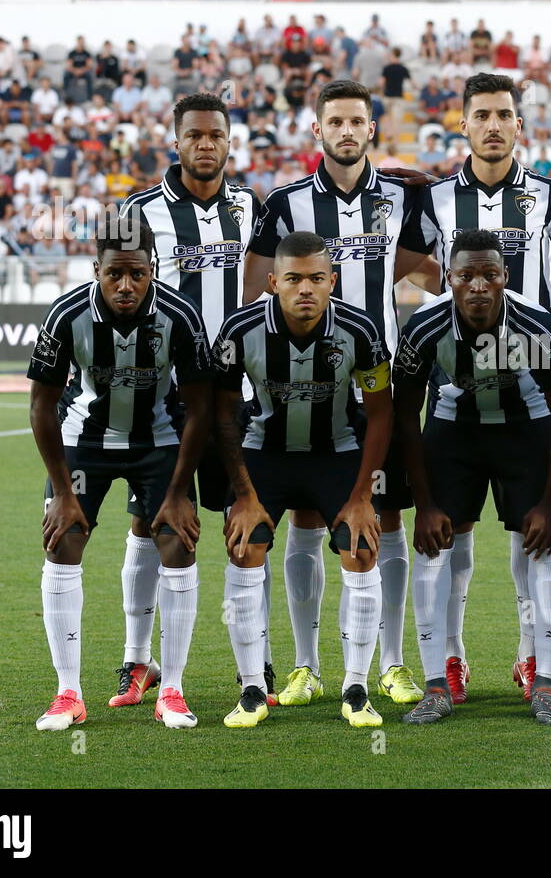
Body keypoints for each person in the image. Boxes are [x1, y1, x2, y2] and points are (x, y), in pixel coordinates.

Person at [244, 79, 440, 709]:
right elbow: (256, 288)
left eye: (358, 120)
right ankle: (307, 667)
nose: (347, 130)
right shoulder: (286, 204)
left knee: (384, 518)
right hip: (309, 383)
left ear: (372, 129)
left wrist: (427, 201)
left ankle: (389, 662)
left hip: (380, 378)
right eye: (336, 121)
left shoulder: (402, 198)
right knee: (305, 516)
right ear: (318, 131)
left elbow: (434, 272)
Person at [405, 75, 551, 701]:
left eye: (504, 115)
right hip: (456, 398)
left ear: (518, 124)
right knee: (449, 539)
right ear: (464, 124)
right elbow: (404, 263)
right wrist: (456, 292)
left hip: (529, 390)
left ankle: (533, 656)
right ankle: (449, 661)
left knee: (529, 535)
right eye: (481, 114)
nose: (493, 125)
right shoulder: (432, 200)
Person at [28, 213, 214, 732]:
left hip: (159, 441)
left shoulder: (179, 315)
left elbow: (199, 408)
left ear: (153, 269)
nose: (126, 285)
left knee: (177, 539)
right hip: (85, 441)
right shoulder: (67, 315)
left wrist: (178, 491)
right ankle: (68, 692)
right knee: (63, 538)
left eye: (137, 273)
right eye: (115, 275)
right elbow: (42, 407)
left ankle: (171, 687)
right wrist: (63, 492)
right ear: (97, 270)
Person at [394, 229, 551, 725]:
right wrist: (425, 502)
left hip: (526, 430)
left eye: (489, 275)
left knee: (543, 543)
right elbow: (405, 413)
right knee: (435, 548)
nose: (478, 285)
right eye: (467, 275)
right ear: (449, 279)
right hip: (454, 433)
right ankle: (437, 682)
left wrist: (549, 501)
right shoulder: (422, 328)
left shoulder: (538, 325)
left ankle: (545, 682)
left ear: (505, 278)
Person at [113, 93, 262, 708]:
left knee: (245, 528)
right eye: (194, 135)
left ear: (230, 143)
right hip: (161, 400)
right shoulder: (139, 211)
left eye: (216, 135)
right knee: (149, 528)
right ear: (175, 142)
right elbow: (114, 290)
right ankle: (137, 660)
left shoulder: (255, 208)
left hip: (237, 397)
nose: (206, 145)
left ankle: (255, 672)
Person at [212, 231, 393, 729]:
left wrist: (361, 496)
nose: (306, 289)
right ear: (273, 283)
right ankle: (251, 689)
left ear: (332, 280)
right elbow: (223, 415)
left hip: (336, 453)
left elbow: (379, 415)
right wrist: (244, 496)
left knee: (359, 546)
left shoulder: (359, 330)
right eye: (293, 279)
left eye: (317, 278)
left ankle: (355, 688)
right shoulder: (239, 330)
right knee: (245, 545)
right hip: (263, 453)